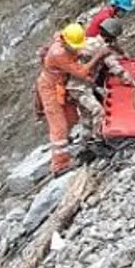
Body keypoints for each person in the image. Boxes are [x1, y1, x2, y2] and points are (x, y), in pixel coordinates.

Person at [35, 23, 104, 175]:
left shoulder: (65, 39)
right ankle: (60, 163)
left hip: (61, 84)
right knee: (59, 125)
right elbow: (81, 72)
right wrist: (98, 55)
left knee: (71, 117)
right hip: (50, 88)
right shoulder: (58, 54)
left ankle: (66, 143)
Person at [67, 17, 135, 133]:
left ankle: (86, 138)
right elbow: (116, 69)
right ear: (112, 37)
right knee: (98, 111)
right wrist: (133, 82)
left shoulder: (88, 41)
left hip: (72, 85)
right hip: (81, 88)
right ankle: (97, 137)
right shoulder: (103, 49)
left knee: (86, 116)